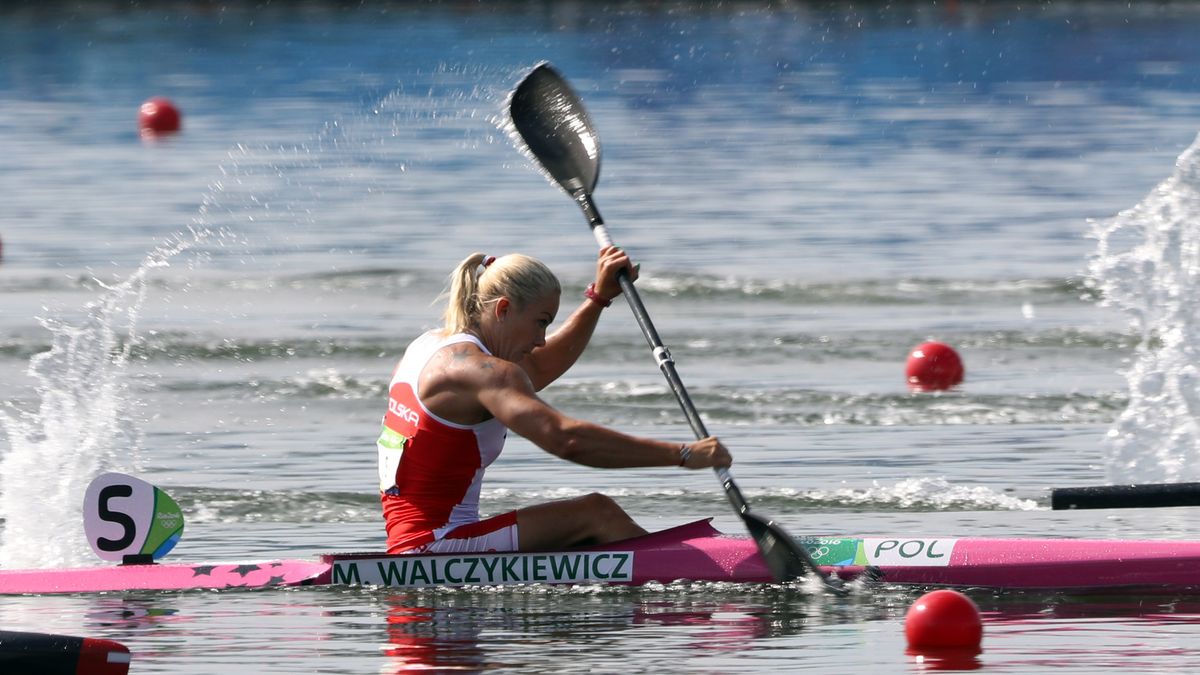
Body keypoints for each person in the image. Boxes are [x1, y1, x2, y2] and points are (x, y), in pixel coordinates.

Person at [377, 246, 732, 554]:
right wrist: (683, 455)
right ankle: (688, 580)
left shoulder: (428, 347)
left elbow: (537, 368)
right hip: (437, 547)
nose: (542, 339)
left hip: (415, 544)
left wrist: (599, 298)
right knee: (597, 514)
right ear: (502, 309)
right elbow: (567, 439)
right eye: (540, 322)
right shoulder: (484, 372)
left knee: (588, 525)